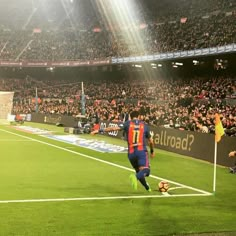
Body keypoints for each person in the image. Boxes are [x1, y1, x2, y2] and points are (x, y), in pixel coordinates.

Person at [91, 110, 155, 192]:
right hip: (141, 151)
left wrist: (98, 131)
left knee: (139, 171)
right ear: (139, 116)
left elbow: (113, 128)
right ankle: (135, 177)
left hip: (131, 153)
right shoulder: (144, 125)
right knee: (146, 170)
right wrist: (152, 151)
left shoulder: (127, 123)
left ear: (131, 117)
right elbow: (151, 141)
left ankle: (147, 188)